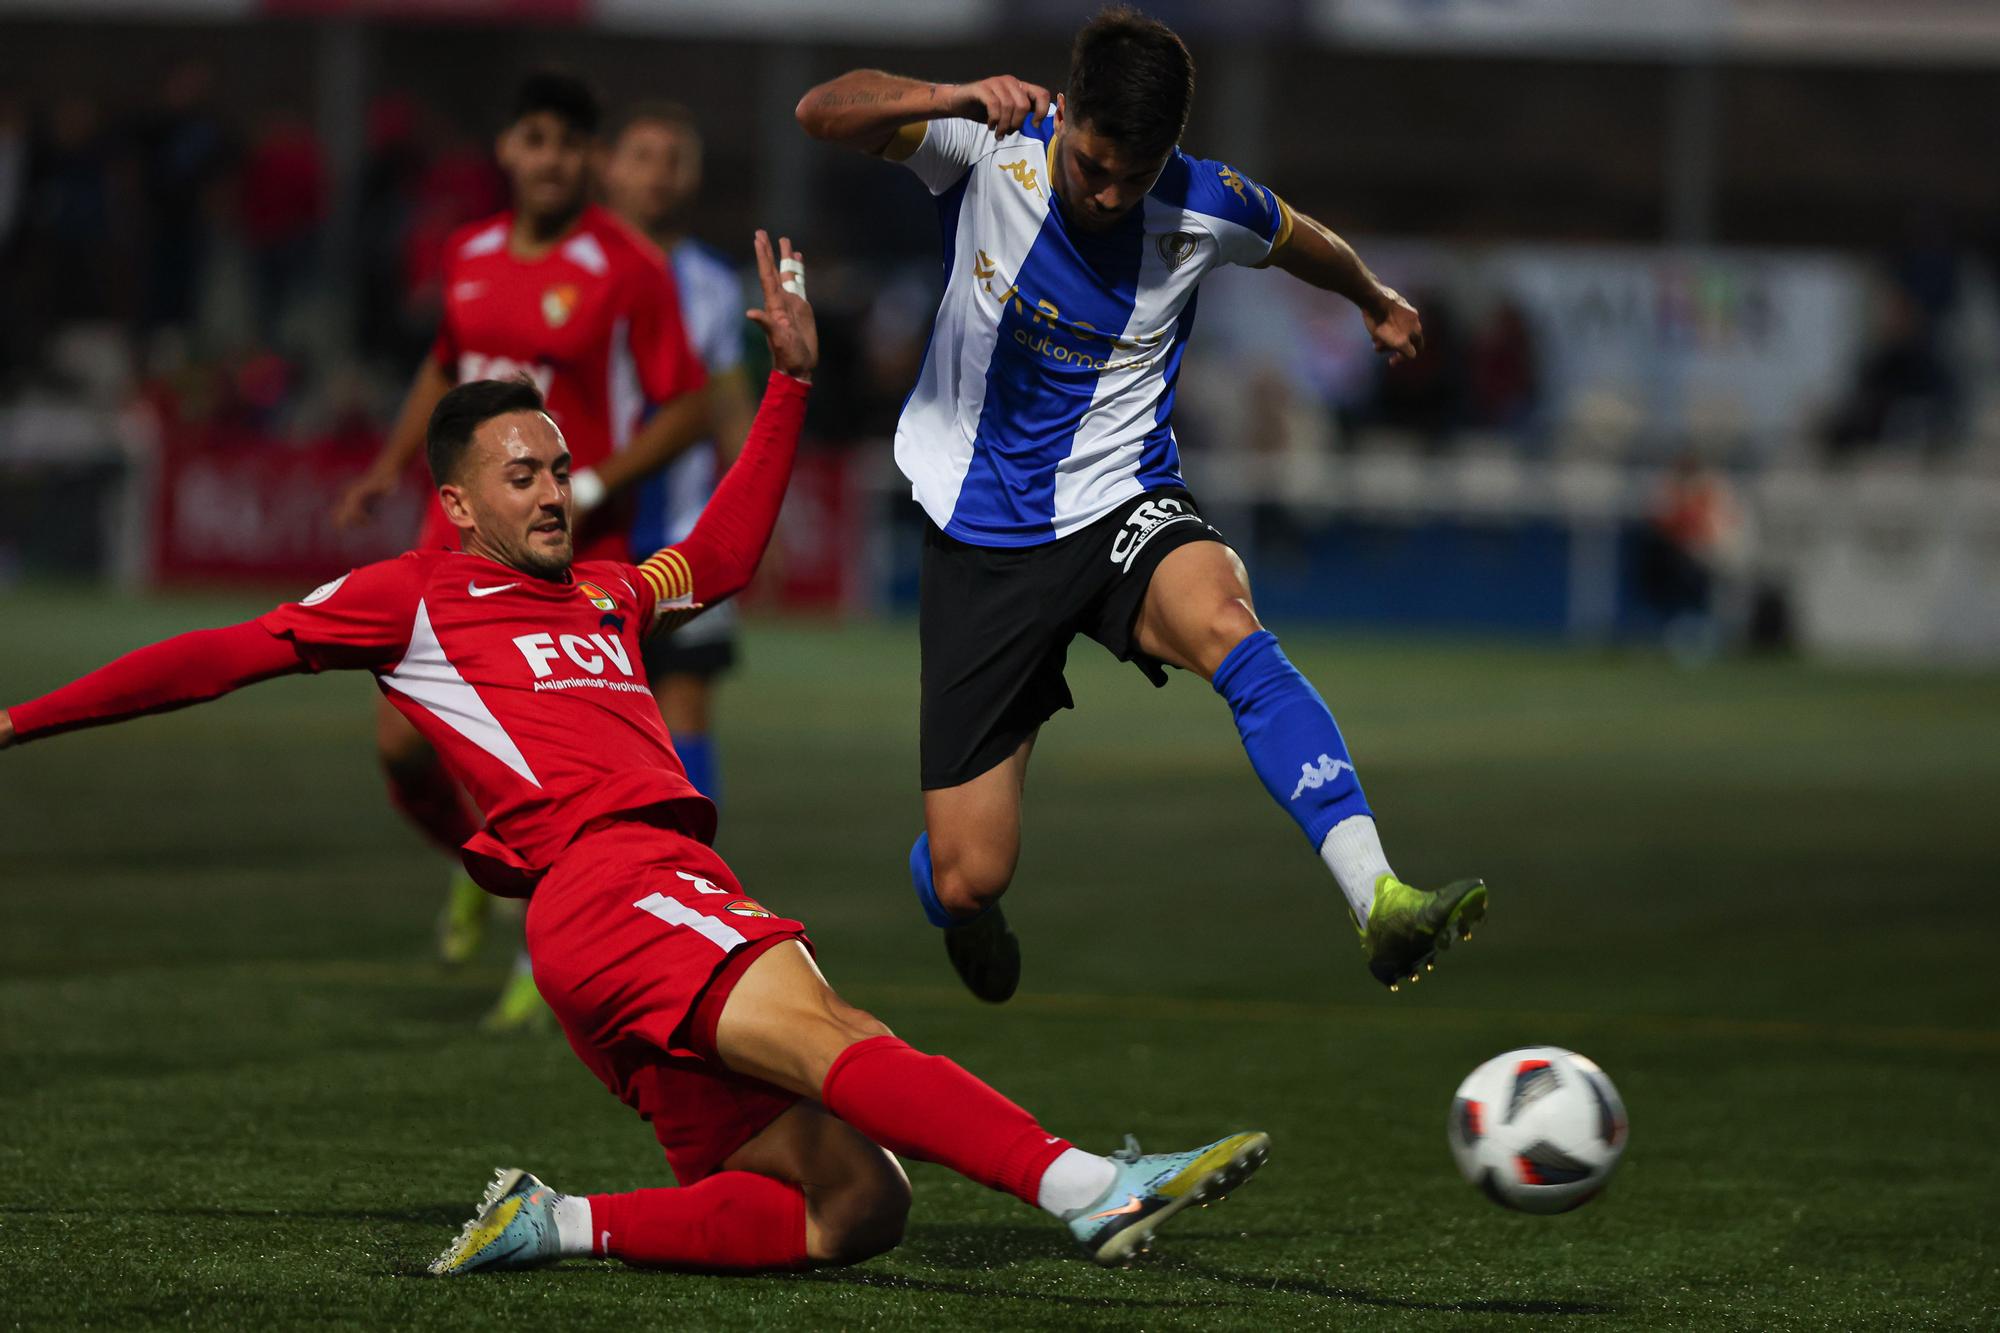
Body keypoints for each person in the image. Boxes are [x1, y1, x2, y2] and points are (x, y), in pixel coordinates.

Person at [1, 232, 1268, 1274]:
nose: (555, 491)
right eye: (521, 476)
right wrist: (18, 720)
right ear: (458, 506)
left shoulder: (604, 595)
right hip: (610, 886)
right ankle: (1089, 1184)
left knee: (856, 1207)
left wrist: (788, 389)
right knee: (833, 1028)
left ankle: (551, 1222)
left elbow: (715, 559)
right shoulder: (418, 595)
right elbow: (221, 654)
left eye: (559, 468)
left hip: (624, 915)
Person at [795, 7, 1488, 1000]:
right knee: (969, 870)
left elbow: (1299, 238)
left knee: (1228, 621)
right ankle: (953, 897)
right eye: (1093, 166)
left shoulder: (1203, 203)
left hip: (1123, 500)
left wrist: (1372, 298)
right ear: (1066, 112)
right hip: (981, 538)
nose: (1114, 192)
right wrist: (947, 96)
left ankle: (1375, 894)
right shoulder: (986, 147)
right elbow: (821, 110)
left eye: (1138, 172)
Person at [330, 71, 712, 1028]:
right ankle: (482, 866)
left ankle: (549, 941)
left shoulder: (627, 265)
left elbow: (692, 403)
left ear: (589, 158)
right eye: (534, 139)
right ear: (506, 149)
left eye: (570, 144)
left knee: (561, 775)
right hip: (455, 536)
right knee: (397, 749)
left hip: (568, 544)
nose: (551, 159)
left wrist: (595, 480)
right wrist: (388, 465)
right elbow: (446, 366)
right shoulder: (467, 253)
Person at [603, 102, 757, 811]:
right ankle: (507, 885)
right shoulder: (579, 266)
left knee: (687, 698)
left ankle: (693, 877)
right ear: (608, 167)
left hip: (683, 536)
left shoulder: (715, 285)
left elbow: (729, 405)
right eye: (642, 155)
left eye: (674, 158)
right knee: (573, 714)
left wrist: (760, 517)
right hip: (584, 529)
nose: (658, 174)